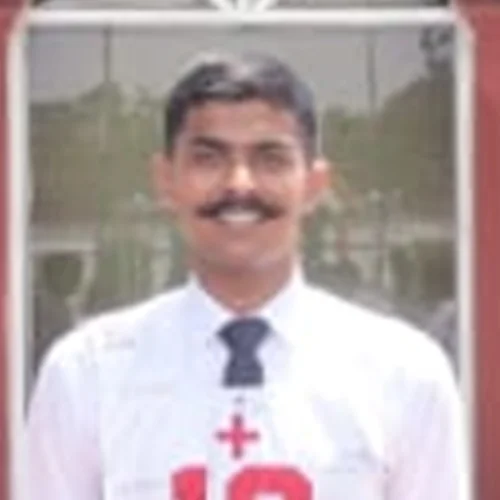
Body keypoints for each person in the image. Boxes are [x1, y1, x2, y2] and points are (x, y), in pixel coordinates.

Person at [27, 51, 468, 500]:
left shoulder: (403, 373)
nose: (239, 184)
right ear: (166, 180)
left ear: (314, 185)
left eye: (270, 159)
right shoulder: (87, 373)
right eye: (208, 158)